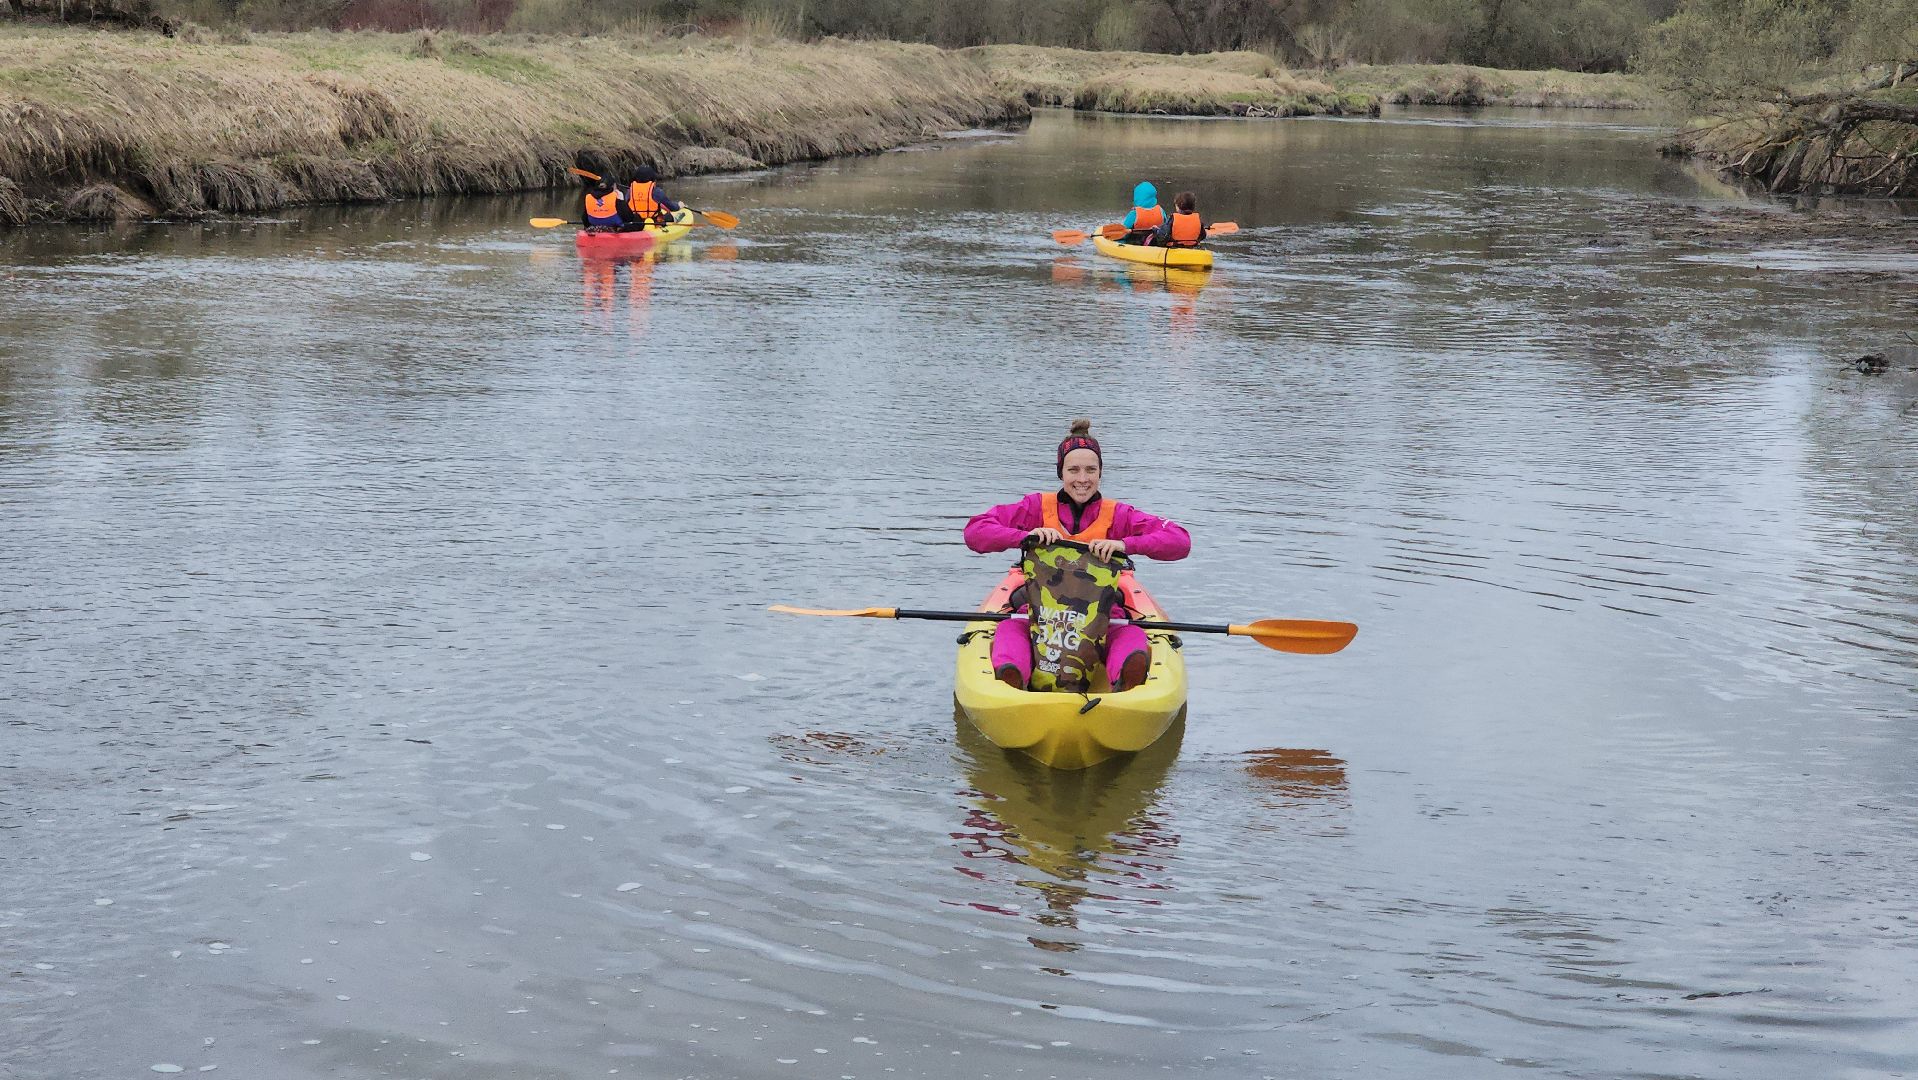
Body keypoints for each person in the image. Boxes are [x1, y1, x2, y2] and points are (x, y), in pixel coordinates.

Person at [964, 419, 1191, 692]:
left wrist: (1125, 544)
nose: (1082, 479)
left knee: (1129, 634)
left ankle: (1127, 685)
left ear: (1100, 473)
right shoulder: (1035, 507)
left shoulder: (1118, 515)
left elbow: (1179, 541)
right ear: (1061, 473)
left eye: (1090, 470)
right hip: (1038, 614)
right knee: (1010, 630)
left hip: (1102, 616)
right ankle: (1012, 682)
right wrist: (1023, 537)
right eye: (1073, 470)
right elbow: (975, 531)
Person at [622, 165, 683, 231]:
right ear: (653, 179)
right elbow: (672, 207)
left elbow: (626, 208)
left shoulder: (630, 191)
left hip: (636, 222)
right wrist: (679, 205)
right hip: (653, 222)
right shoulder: (657, 192)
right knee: (668, 216)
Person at [1120, 181, 1165, 245]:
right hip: (1155, 243)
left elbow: (1124, 234)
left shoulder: (1134, 214)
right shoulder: (1161, 211)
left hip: (1135, 244)